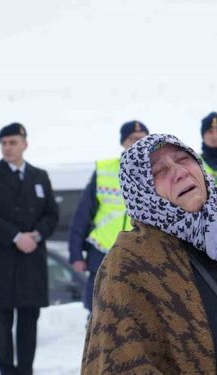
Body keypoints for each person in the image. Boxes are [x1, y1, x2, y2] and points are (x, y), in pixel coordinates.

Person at [81, 134, 217, 374]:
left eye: (183, 158)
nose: (179, 172)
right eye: (158, 171)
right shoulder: (130, 264)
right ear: (141, 192)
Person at [0, 122, 59, 375]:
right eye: (4, 143)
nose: (8, 148)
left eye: (12, 142)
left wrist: (36, 234)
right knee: (3, 323)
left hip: (31, 262)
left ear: (25, 144)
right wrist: (15, 236)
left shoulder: (40, 176)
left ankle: (25, 371)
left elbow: (51, 215)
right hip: (3, 262)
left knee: (28, 321)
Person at [68, 120, 149, 313]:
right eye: (132, 138)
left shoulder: (156, 172)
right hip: (102, 252)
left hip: (139, 253)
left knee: (136, 311)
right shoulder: (105, 171)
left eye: (142, 138)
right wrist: (76, 254)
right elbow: (82, 215)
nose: (137, 142)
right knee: (99, 310)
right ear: (123, 142)